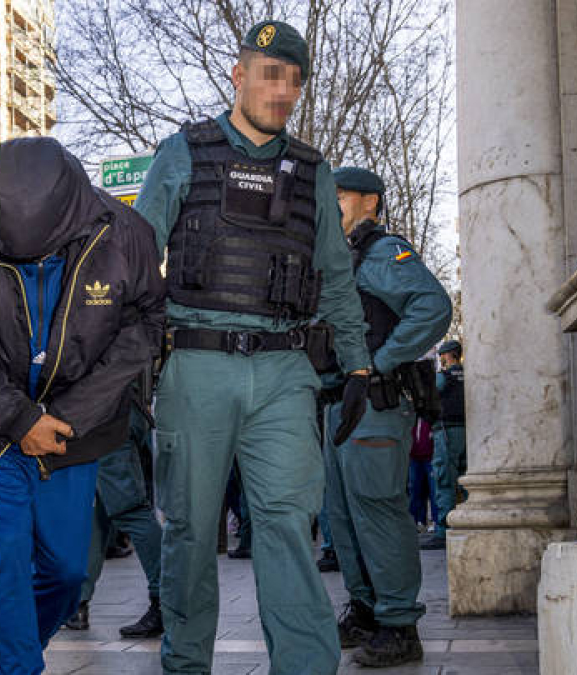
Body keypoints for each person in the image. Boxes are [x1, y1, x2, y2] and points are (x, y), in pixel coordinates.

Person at [135, 20, 374, 674]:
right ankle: (185, 665)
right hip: (196, 366)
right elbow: (134, 259)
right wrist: (127, 358)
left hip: (283, 373)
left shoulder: (314, 173)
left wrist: (357, 365)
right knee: (190, 532)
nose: (283, 91)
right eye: (270, 75)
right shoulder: (182, 153)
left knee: (289, 528)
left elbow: (334, 275)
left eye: (294, 80)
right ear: (239, 76)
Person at [0, 136, 166, 674]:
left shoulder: (124, 234)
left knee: (68, 572)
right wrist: (18, 418)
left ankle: (21, 648)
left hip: (71, 427)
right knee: (6, 553)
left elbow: (145, 327)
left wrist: (68, 416)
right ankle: (19, 667)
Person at [320, 166, 452, 667]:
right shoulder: (339, 255)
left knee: (377, 512)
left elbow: (433, 307)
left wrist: (381, 361)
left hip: (374, 403)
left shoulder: (380, 251)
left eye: (340, 195)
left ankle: (399, 624)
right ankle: (367, 610)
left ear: (370, 201)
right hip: (338, 403)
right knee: (343, 516)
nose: (330, 203)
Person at [63, 405, 164, 638]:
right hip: (109, 417)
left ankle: (165, 599)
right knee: (98, 509)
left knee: (129, 509)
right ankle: (77, 603)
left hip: (105, 417)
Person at [421, 340, 466, 550]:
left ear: (448, 355)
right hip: (468, 433)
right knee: (467, 482)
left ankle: (443, 530)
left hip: (447, 433)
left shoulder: (444, 377)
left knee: (444, 480)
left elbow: (428, 396)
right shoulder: (470, 375)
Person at [409, 415, 438, 529]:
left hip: (431, 458)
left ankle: (436, 522)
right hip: (414, 458)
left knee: (434, 490)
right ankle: (416, 521)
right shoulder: (412, 417)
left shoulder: (431, 416)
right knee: (415, 490)